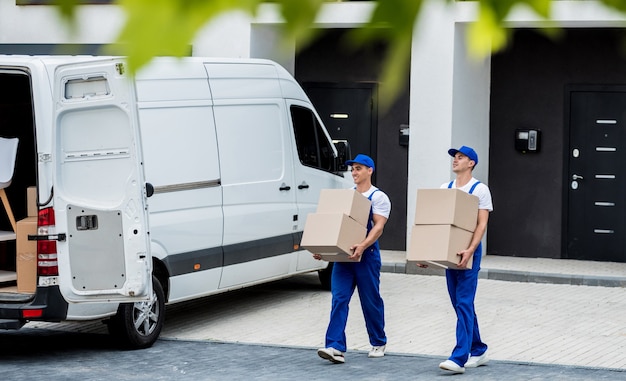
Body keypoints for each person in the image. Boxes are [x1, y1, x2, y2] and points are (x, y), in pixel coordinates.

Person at [313, 154, 391, 364]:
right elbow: (334, 225)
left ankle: (378, 341)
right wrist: (323, 247)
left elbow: (378, 227)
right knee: (339, 299)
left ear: (369, 171)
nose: (354, 173)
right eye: (352, 169)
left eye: (358, 168)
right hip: (344, 258)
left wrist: (363, 245)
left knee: (370, 301)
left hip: (367, 257)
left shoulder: (378, 197)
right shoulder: (346, 195)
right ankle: (335, 346)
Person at [435, 145, 493, 374]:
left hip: (470, 252)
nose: (455, 160)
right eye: (454, 157)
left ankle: (459, 357)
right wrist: (429, 253)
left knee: (464, 302)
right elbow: (439, 223)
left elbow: (481, 224)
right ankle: (478, 349)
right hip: (450, 251)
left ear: (472, 163)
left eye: (461, 157)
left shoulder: (480, 189)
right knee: (459, 304)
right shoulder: (445, 188)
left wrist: (470, 250)